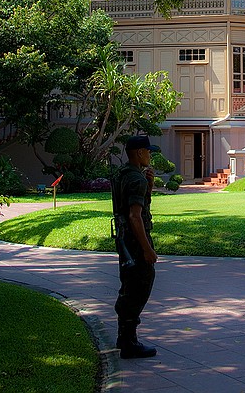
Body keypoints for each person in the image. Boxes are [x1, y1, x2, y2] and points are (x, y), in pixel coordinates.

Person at [111, 135, 159, 358]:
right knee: (141, 283)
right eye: (148, 151)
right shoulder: (136, 179)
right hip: (135, 240)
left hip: (124, 240)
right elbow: (135, 216)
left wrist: (148, 188)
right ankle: (129, 342)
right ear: (139, 153)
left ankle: (124, 337)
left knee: (129, 284)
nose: (150, 155)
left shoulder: (123, 174)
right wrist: (147, 249)